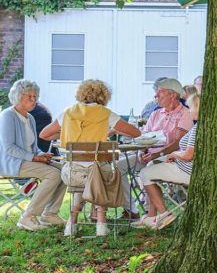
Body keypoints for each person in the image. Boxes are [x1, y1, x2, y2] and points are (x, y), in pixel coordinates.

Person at [38, 79, 141, 237]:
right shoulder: (106, 114)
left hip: (72, 174)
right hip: (99, 173)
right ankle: (101, 224)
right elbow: (136, 133)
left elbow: (44, 134)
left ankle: (71, 224)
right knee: (96, 174)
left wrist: (67, 134)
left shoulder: (67, 113)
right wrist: (113, 129)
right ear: (103, 95)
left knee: (86, 176)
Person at [120, 78, 194, 216]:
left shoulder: (185, 114)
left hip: (170, 158)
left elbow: (178, 142)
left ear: (172, 95)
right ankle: (130, 209)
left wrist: (156, 155)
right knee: (119, 166)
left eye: (160, 94)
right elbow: (144, 137)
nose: (156, 97)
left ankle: (151, 213)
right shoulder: (155, 114)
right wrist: (142, 150)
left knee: (150, 167)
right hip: (148, 155)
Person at [3, 80, 66, 232]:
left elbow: (33, 147)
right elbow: (9, 148)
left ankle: (50, 214)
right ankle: (28, 216)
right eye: (29, 96)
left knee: (66, 170)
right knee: (53, 174)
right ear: (18, 97)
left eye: (35, 96)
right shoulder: (7, 116)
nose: (34, 100)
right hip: (11, 162)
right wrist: (34, 158)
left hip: (27, 160)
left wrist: (40, 153)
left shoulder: (30, 117)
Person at [134, 93, 201, 230]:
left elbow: (189, 155)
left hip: (186, 170)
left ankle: (164, 214)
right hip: (186, 166)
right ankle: (152, 216)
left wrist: (174, 154)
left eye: (191, 107)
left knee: (145, 174)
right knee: (152, 164)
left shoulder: (198, 128)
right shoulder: (202, 126)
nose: (189, 110)